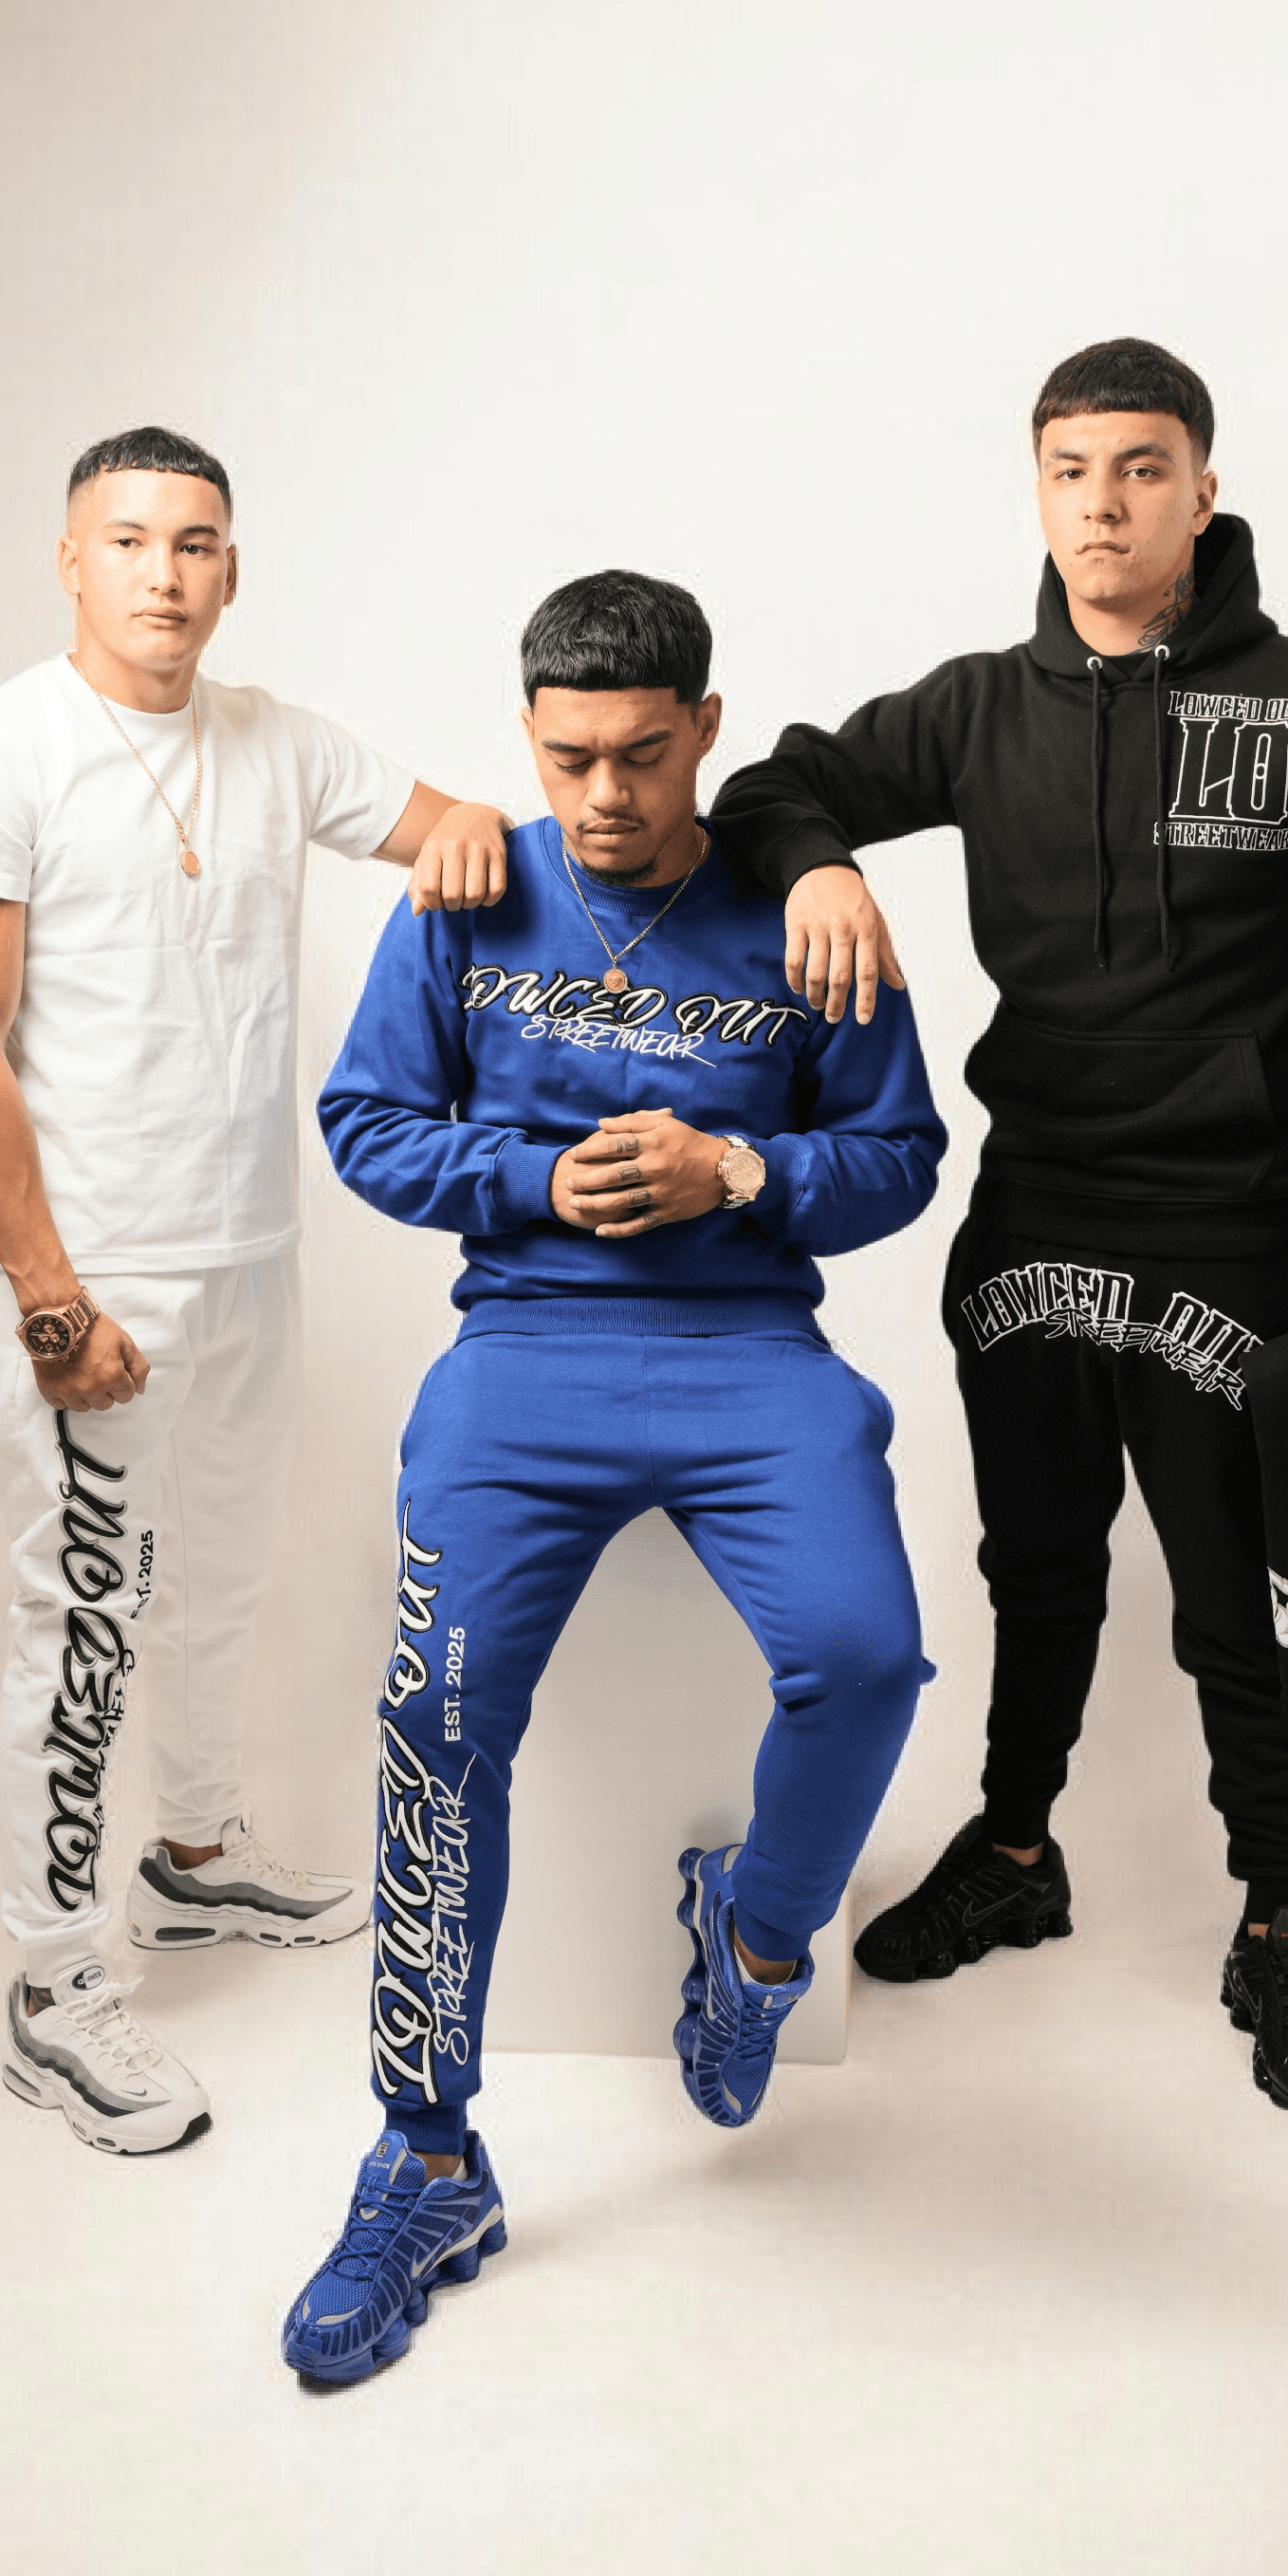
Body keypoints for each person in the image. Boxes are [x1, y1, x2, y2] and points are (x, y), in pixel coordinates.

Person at [710, 338, 1288, 2113]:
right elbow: (771, 786)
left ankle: (1276, 1911)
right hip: (1033, 1212)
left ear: (1203, 489)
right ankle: (1018, 1849)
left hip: (1224, 1228)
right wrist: (823, 863)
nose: (1104, 505)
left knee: (1241, 1593)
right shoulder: (983, 708)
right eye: (1071, 471)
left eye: (1140, 469)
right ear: (1038, 492)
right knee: (1035, 1562)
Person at [280, 569, 945, 2382]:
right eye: (568, 756)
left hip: (748, 1353)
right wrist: (528, 1181)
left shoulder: (805, 911)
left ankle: (758, 1939)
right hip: (525, 1350)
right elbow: (363, 1120)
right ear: (528, 735)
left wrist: (747, 1175)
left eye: (643, 755)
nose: (603, 794)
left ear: (705, 731)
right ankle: (427, 2159)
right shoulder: (468, 891)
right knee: (433, 1714)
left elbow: (901, 1154)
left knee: (867, 1656)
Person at [0, 424, 513, 2156]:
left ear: (231, 569)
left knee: (219, 1583)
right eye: (130, 540)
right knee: (85, 1625)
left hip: (251, 1258)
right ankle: (53, 1989)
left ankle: (195, 1855)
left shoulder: (273, 740)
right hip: (97, 1282)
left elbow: (457, 823)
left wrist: (484, 843)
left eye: (195, 543)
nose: (163, 573)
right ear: (69, 559)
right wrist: (50, 1300)